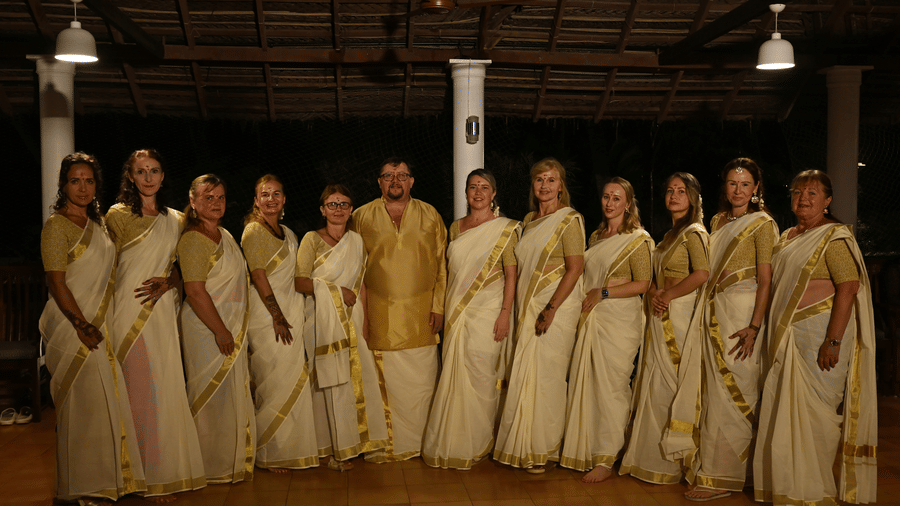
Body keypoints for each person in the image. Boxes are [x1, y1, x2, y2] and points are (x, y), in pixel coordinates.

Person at [753, 170, 877, 505]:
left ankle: (815, 489)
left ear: (827, 200)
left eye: (812, 193)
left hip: (821, 335)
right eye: (798, 192)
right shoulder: (786, 237)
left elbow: (848, 287)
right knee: (782, 410)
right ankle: (788, 487)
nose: (803, 199)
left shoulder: (833, 237)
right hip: (787, 336)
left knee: (818, 414)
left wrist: (833, 341)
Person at [666, 159, 777, 501]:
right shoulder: (716, 221)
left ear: (756, 188)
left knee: (738, 390)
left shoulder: (763, 224)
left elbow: (766, 279)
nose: (738, 190)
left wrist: (754, 326)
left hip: (742, 315)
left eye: (745, 184)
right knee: (713, 394)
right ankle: (718, 471)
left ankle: (727, 477)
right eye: (732, 183)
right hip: (713, 309)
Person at [39, 152, 147, 504]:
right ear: (63, 184)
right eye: (75, 181)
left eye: (89, 181)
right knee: (81, 407)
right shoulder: (56, 226)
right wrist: (81, 324)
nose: (83, 188)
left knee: (103, 403)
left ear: (96, 185)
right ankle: (77, 489)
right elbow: (56, 282)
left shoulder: (99, 226)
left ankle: (108, 482)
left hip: (102, 325)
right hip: (73, 326)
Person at [106, 149, 205, 500]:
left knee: (161, 388)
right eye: (141, 171)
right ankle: (135, 475)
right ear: (130, 176)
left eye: (154, 171)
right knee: (137, 390)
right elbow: (104, 266)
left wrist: (170, 281)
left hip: (161, 313)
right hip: (126, 312)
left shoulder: (176, 219)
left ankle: (158, 472)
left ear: (163, 177)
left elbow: (184, 265)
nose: (148, 178)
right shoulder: (117, 215)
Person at [351, 157, 447, 462]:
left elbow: (442, 265)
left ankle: (423, 443)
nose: (395, 181)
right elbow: (352, 270)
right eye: (388, 176)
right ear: (379, 182)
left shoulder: (430, 214)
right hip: (379, 316)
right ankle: (388, 446)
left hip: (423, 315)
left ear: (412, 181)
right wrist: (361, 316)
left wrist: (439, 307)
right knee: (387, 385)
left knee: (421, 384)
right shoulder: (360, 216)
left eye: (402, 175)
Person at [422, 169, 520, 470]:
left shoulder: (506, 228)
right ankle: (454, 440)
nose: (478, 192)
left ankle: (479, 441)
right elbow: (450, 272)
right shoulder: (455, 228)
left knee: (482, 373)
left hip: (489, 310)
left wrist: (505, 313)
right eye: (473, 186)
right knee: (455, 373)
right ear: (465, 193)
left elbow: (511, 274)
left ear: (494, 194)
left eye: (484, 187)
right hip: (457, 311)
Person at [494, 157, 585, 474]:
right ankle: (522, 445)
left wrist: (551, 308)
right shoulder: (529, 220)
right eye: (539, 180)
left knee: (547, 377)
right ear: (533, 185)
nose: (544, 185)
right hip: (527, 304)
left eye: (551, 180)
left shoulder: (569, 220)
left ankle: (543, 449)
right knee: (526, 374)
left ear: (561, 186)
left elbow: (575, 269)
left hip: (555, 307)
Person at [560, 177, 652, 483]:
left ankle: (606, 457)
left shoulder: (637, 239)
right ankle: (586, 449)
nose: (610, 203)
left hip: (619, 321)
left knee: (612, 388)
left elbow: (643, 283)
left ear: (628, 204)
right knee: (589, 385)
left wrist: (604, 293)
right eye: (606, 197)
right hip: (592, 319)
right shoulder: (596, 236)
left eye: (616, 198)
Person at [620, 172, 709, 484]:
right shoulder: (669, 235)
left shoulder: (694, 232)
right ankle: (650, 459)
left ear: (693, 197)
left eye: (681, 191)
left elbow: (702, 273)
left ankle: (675, 460)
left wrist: (668, 295)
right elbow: (657, 276)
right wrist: (657, 292)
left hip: (680, 313)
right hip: (660, 310)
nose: (674, 196)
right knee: (655, 383)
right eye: (670, 190)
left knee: (673, 383)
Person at [295, 184, 390, 469]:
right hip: (322, 322)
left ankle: (364, 443)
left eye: (344, 204)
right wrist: (337, 292)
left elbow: (362, 285)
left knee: (361, 379)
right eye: (332, 204)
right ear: (322, 209)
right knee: (330, 382)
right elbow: (300, 282)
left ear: (351, 211)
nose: (338, 209)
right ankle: (335, 449)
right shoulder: (311, 239)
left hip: (354, 318)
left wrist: (366, 322)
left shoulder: (356, 241)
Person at [178, 174, 255, 484]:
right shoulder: (192, 238)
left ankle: (227, 460)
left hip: (229, 324)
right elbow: (195, 291)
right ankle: (206, 465)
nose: (215, 203)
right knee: (208, 396)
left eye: (220, 197)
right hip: (205, 327)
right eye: (208, 197)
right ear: (193, 201)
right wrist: (222, 330)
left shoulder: (225, 235)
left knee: (227, 396)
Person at [241, 175, 319, 472]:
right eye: (265, 194)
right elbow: (258, 275)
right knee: (272, 381)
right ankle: (268, 452)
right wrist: (277, 317)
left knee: (291, 380)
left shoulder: (288, 233)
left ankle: (291, 448)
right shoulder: (253, 231)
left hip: (291, 314)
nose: (271, 199)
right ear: (256, 200)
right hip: (268, 318)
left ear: (284, 199)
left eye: (276, 194)